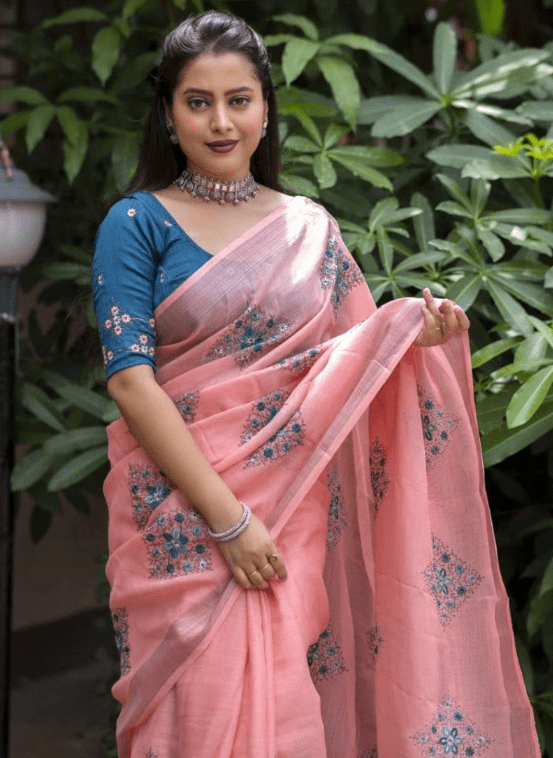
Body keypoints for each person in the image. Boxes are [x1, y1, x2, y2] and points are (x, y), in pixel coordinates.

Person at [92, 10, 540, 758]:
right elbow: (132, 384)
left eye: (238, 99)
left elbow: (338, 369)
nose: (221, 121)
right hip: (182, 514)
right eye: (198, 102)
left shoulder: (309, 228)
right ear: (168, 115)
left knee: (283, 700)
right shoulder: (137, 223)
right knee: (193, 711)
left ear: (266, 109)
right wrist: (228, 521)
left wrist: (409, 336)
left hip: (290, 503)